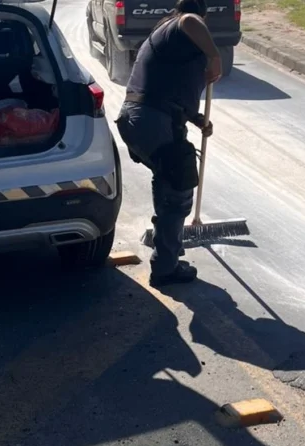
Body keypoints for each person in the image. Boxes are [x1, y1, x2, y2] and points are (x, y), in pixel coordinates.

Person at [115, 0, 222, 287]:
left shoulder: (168, 37)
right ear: (203, 14)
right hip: (150, 119)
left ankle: (166, 247)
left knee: (167, 180)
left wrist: (196, 118)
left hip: (144, 120)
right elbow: (190, 20)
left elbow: (169, 88)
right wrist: (214, 56)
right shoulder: (182, 24)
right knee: (179, 188)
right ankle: (165, 267)